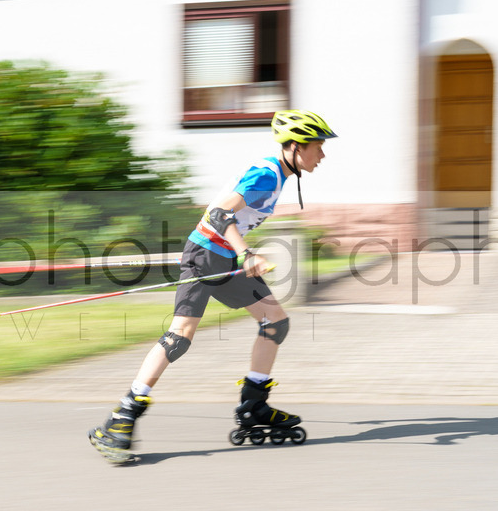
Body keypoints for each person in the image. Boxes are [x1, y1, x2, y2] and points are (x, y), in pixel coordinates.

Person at [88, 110, 337, 463]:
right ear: (296, 147)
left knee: (275, 322)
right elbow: (219, 215)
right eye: (318, 147)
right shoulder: (267, 174)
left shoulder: (276, 172)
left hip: (222, 260)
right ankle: (122, 417)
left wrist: (240, 255)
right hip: (205, 255)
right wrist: (246, 253)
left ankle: (253, 406)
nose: (322, 155)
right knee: (180, 337)